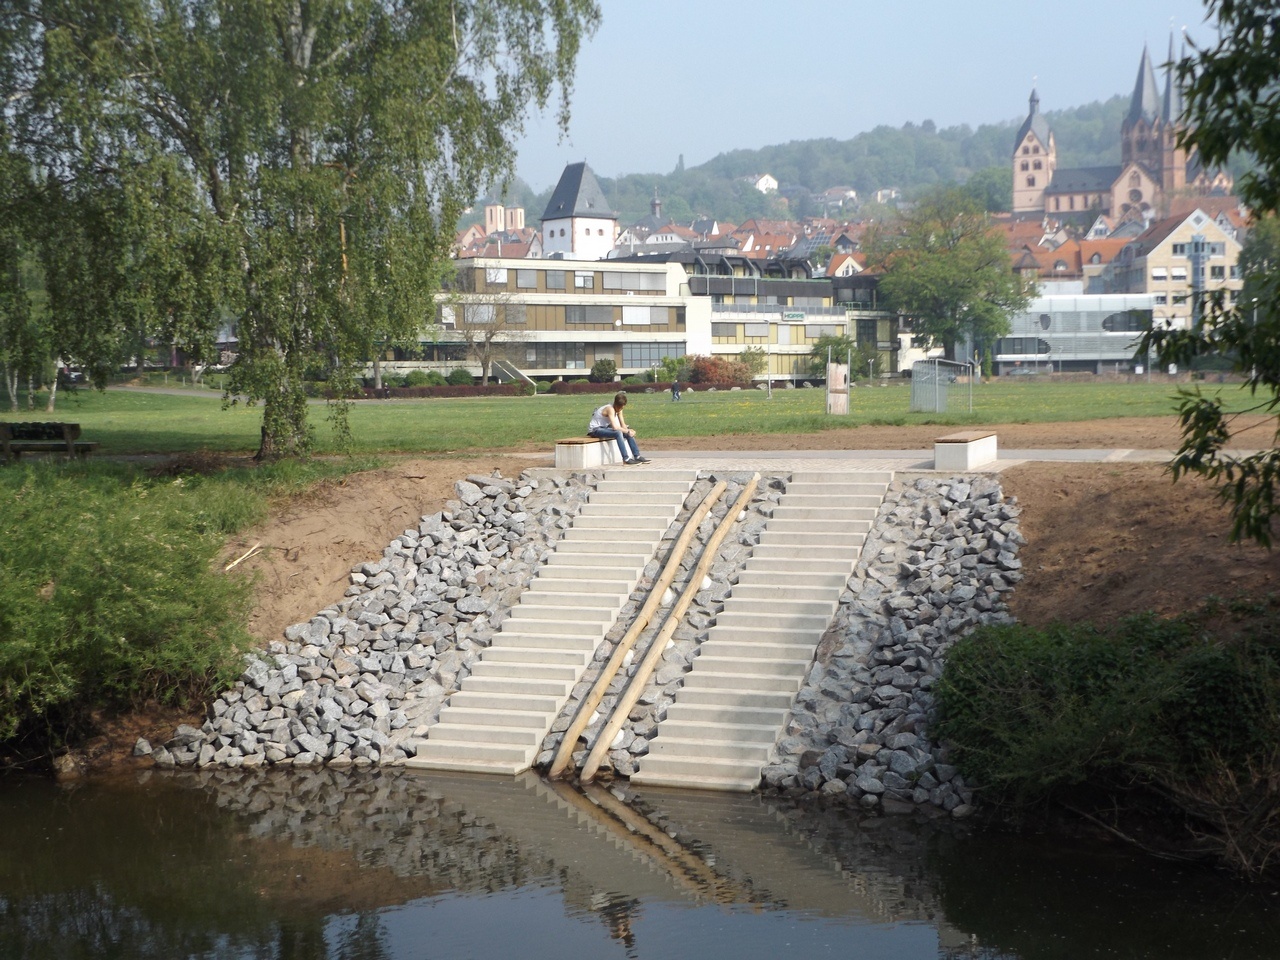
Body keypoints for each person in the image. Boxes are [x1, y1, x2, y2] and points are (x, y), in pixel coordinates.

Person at [588, 391, 650, 464]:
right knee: (618, 433)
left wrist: (629, 431)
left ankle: (637, 456)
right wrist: (627, 431)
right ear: (615, 404)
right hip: (595, 430)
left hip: (604, 428)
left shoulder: (619, 409)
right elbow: (615, 427)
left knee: (627, 433)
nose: (620, 409)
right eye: (619, 408)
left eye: (622, 408)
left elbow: (623, 425)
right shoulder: (610, 409)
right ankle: (626, 459)